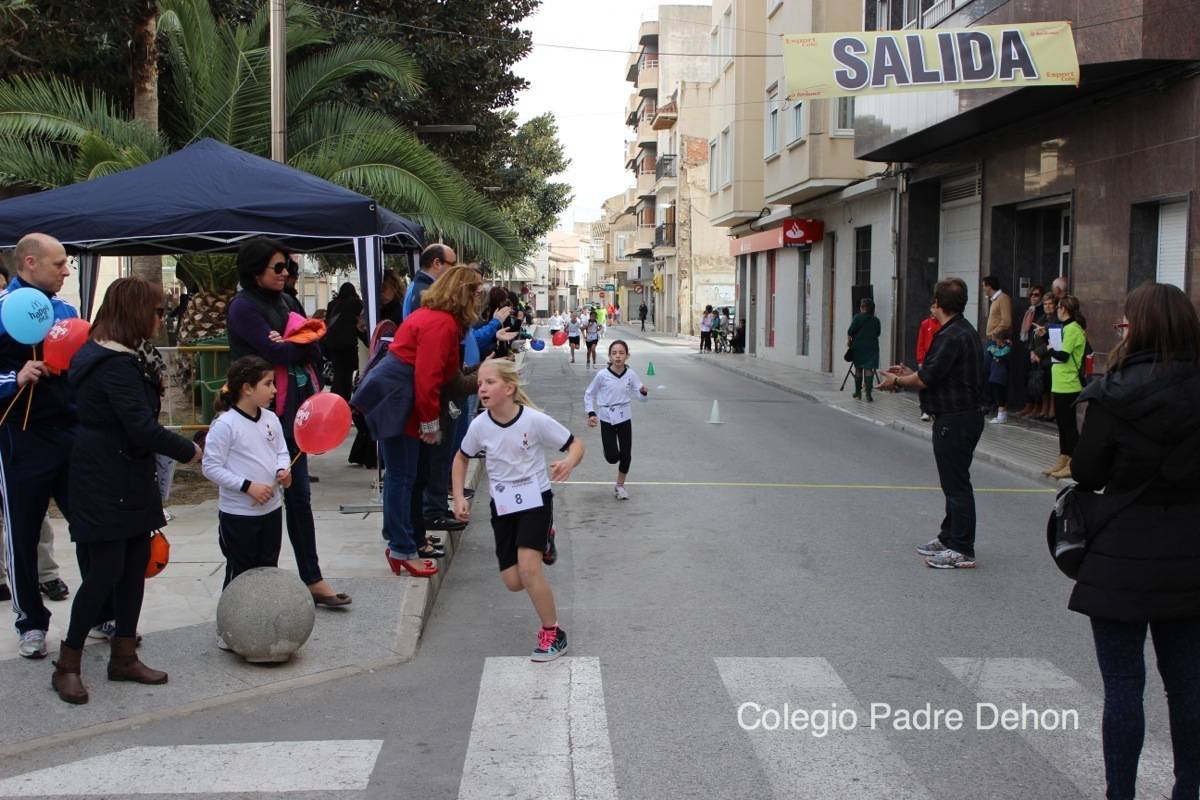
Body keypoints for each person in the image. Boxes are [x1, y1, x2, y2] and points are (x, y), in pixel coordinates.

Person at [1067, 282, 1200, 800]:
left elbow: (1086, 469)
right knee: (1188, 686)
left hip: (1122, 555)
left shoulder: (1116, 389)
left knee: (1124, 685)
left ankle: (1119, 793)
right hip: (1192, 554)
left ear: (1136, 326)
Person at [54, 277, 200, 704]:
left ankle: (124, 654)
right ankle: (67, 664)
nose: (162, 318)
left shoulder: (129, 355)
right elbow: (139, 424)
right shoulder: (113, 362)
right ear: (135, 312)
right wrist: (191, 451)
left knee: (134, 564)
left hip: (128, 474)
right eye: (157, 311)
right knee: (103, 572)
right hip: (104, 477)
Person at [226, 237, 350, 607]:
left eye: (288, 267)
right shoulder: (243, 307)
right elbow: (274, 351)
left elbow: (315, 344)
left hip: (298, 412)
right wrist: (297, 340)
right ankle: (247, 593)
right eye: (277, 268)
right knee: (257, 506)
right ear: (254, 270)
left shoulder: (288, 300)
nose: (285, 274)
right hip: (259, 416)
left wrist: (296, 340)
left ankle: (312, 577)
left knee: (299, 497)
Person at [352, 266, 484, 578]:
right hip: (401, 399)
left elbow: (447, 377)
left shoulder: (436, 318)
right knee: (402, 476)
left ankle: (404, 541)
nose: (479, 298)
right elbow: (428, 380)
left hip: (403, 397)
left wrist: (483, 374)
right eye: (476, 292)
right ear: (462, 294)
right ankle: (401, 547)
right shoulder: (441, 324)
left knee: (407, 475)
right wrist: (429, 425)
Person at [451, 357, 585, 662]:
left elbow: (576, 444)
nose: (481, 388)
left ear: (509, 388)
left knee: (529, 569)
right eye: (480, 383)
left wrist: (568, 462)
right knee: (513, 582)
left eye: (489, 382)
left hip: (536, 499)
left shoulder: (533, 420)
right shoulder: (479, 426)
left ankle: (553, 633)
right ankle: (545, 542)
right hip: (504, 505)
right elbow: (461, 458)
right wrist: (459, 497)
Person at [0, 233, 77, 659]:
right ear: (29, 263)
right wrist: (15, 377)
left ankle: (99, 608)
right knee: (24, 532)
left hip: (69, 432)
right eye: (59, 264)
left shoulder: (66, 310)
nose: (67, 271)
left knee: (88, 523)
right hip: (20, 437)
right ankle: (30, 622)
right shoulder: (1, 312)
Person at [878, 278, 983, 569]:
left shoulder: (951, 335)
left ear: (938, 303)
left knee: (956, 484)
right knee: (953, 482)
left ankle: (962, 548)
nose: (931, 306)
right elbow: (936, 374)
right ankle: (949, 537)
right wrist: (910, 373)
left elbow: (927, 379)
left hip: (956, 418)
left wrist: (898, 380)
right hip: (961, 416)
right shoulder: (962, 331)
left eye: (934, 301)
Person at [201, 357, 291, 597]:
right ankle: (232, 626)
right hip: (239, 516)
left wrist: (283, 470)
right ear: (247, 388)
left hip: (271, 511)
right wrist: (247, 486)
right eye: (268, 383)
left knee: (268, 570)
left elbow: (281, 451)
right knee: (240, 573)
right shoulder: (225, 424)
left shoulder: (271, 418)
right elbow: (210, 467)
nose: (274, 390)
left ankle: (261, 625)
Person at [584, 339, 648, 500]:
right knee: (613, 457)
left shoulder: (631, 374)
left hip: (625, 417)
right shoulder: (602, 375)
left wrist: (643, 392)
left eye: (621, 353)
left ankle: (620, 486)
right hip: (607, 417)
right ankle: (611, 451)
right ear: (610, 356)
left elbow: (641, 397)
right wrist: (591, 413)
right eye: (614, 353)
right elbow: (589, 393)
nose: (618, 356)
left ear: (627, 356)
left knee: (626, 455)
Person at [1043, 294, 1088, 479]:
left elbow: (1063, 356)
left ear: (1064, 309)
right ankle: (1063, 457)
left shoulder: (1072, 329)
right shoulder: (1066, 328)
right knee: (1062, 424)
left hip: (1069, 384)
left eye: (1059, 307)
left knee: (1068, 425)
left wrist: (1050, 349)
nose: (1057, 311)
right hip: (1060, 383)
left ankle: (1074, 462)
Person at [982, 275, 1012, 414]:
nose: (983, 289)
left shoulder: (1003, 299)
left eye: (984, 285)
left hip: (997, 341)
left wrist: (995, 333)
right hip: (991, 340)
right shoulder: (994, 300)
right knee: (986, 370)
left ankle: (994, 403)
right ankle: (989, 402)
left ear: (989, 286)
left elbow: (1006, 321)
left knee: (995, 374)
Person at [403, 244, 457, 320]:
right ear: (437, 263)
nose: (455, 270)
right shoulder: (426, 294)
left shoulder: (416, 285)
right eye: (453, 265)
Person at [1030, 293, 1060, 421]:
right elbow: (1034, 336)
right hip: (1039, 357)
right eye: (1045, 304)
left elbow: (1052, 341)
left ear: (1056, 305)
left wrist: (1038, 352)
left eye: (1050, 304)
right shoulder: (1041, 318)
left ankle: (1052, 411)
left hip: (1049, 357)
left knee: (1051, 385)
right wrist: (1032, 352)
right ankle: (1044, 409)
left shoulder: (1057, 320)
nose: (1047, 307)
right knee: (1042, 384)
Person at [1016, 285, 1045, 418]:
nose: (1033, 297)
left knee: (1036, 378)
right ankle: (1028, 404)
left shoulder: (1041, 312)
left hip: (1036, 348)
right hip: (1026, 346)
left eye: (1036, 294)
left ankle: (1036, 406)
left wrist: (1035, 350)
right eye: (1031, 295)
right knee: (1026, 375)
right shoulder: (1029, 310)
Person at [847, 298, 882, 402]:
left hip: (859, 347)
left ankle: (858, 393)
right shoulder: (876, 320)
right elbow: (878, 333)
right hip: (872, 347)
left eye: (861, 306)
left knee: (858, 369)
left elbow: (850, 331)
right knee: (869, 369)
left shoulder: (857, 317)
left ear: (863, 307)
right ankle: (868, 394)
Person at [915, 312, 942, 422]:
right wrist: (920, 359)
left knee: (936, 385)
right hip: (926, 358)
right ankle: (925, 410)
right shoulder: (925, 324)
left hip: (938, 358)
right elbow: (920, 343)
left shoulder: (943, 324)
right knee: (924, 385)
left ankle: (935, 409)